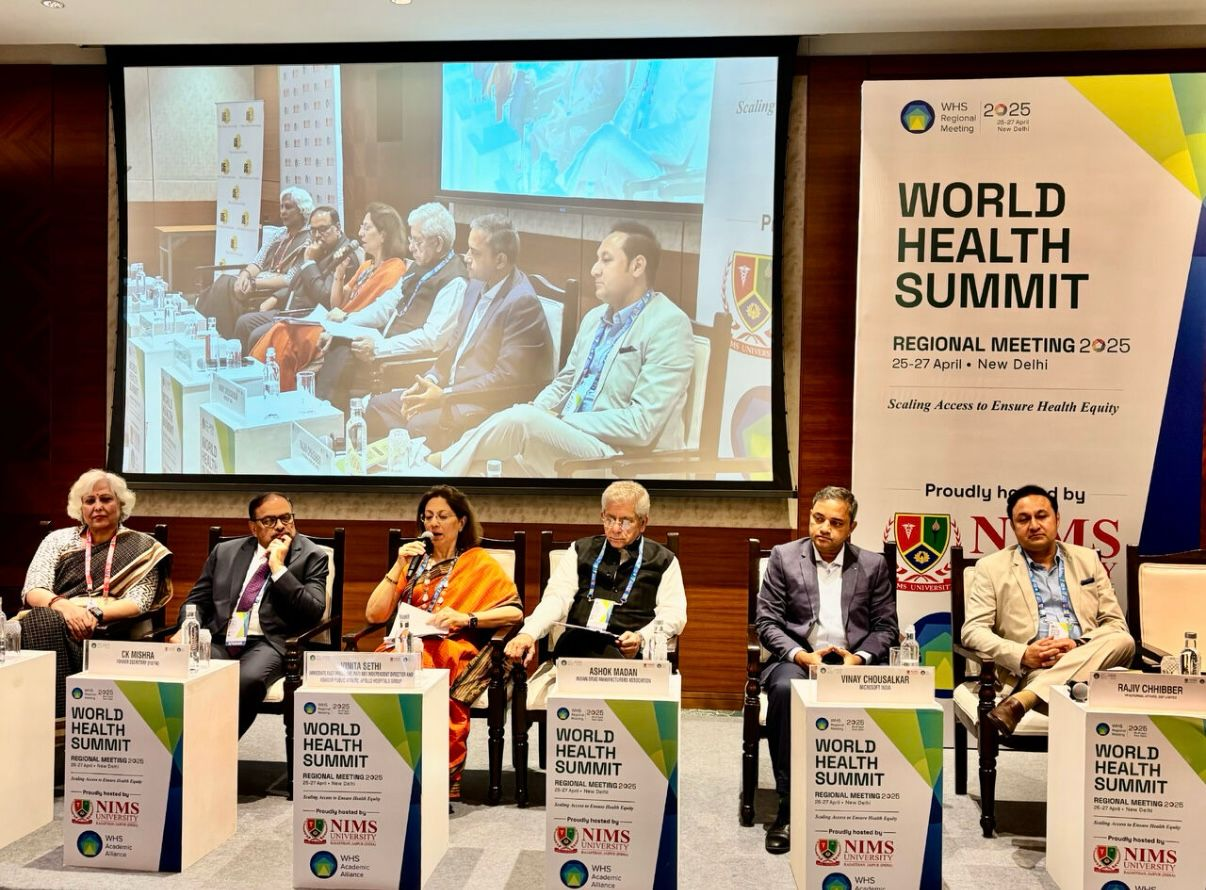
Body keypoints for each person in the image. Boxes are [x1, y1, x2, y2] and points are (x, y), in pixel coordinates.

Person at [432, 221, 693, 477]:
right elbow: (565, 382)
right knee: (479, 471)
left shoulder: (668, 324)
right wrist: (540, 409)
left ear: (637, 266)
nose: (594, 270)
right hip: (571, 444)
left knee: (522, 420)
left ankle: (436, 463)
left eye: (606, 260)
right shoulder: (595, 318)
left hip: (620, 459)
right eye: (597, 260)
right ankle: (438, 470)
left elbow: (641, 424)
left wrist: (560, 420)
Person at [755, 485, 898, 854]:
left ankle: (868, 807)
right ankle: (788, 806)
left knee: (895, 692)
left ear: (851, 527)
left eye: (836, 523)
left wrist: (858, 659)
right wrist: (801, 656)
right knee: (784, 691)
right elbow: (767, 623)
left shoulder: (873, 565)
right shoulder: (785, 557)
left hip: (853, 663)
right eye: (818, 518)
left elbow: (886, 628)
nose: (824, 528)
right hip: (800, 660)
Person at [364, 485, 522, 798]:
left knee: (427, 663)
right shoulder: (413, 563)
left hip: (453, 647)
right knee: (384, 665)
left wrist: (466, 618)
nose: (433, 523)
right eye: (427, 517)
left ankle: (433, 775)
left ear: (461, 522)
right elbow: (373, 614)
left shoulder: (478, 562)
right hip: (405, 645)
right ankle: (390, 766)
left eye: (442, 516)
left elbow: (514, 611)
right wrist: (398, 565)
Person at [364, 213, 556, 450]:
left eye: (475, 253)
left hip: (484, 403)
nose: (466, 258)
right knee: (378, 407)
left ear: (500, 260)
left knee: (418, 425)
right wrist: (429, 380)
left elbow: (504, 379)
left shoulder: (521, 303)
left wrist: (445, 394)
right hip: (448, 392)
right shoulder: (475, 285)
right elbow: (453, 346)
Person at [963, 484, 1134, 738]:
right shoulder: (991, 567)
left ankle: (1022, 701)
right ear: (1013, 527)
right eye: (1023, 519)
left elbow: (1115, 623)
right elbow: (973, 631)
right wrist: (1023, 654)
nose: (1034, 525)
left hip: (1090, 659)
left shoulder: (1088, 560)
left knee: (1123, 640)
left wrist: (1077, 645)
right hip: (1034, 669)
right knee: (1088, 692)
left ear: (1057, 519)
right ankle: (1050, 689)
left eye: (1041, 516)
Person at [169, 493, 328, 738]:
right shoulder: (225, 552)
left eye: (286, 518)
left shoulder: (311, 555)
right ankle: (180, 741)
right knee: (179, 668)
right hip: (220, 638)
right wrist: (187, 628)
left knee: (246, 680)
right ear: (253, 527)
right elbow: (197, 600)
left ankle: (215, 745)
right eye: (269, 521)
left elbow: (314, 611)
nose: (280, 526)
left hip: (270, 643)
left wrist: (278, 568)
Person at [20, 469, 172, 717]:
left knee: (39, 623)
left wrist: (94, 614)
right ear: (80, 508)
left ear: (120, 504)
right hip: (58, 615)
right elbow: (33, 588)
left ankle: (51, 718)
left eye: (106, 499)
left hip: (110, 626)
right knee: (43, 619)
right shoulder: (57, 540)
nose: (98, 507)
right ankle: (65, 714)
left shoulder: (144, 547)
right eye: (90, 501)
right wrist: (66, 609)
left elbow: (140, 601)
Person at [504, 480, 686, 666]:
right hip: (577, 648)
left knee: (612, 658)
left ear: (643, 523)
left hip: (630, 654)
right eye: (609, 519)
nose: (615, 528)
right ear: (602, 515)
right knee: (577, 642)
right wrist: (529, 633)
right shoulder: (580, 550)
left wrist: (641, 637)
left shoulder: (663, 560)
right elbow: (557, 599)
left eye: (625, 521)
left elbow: (674, 613)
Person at [315, 201, 469, 412]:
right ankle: (321, 413)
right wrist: (343, 325)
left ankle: (328, 416)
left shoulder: (455, 281)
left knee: (343, 353)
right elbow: (384, 307)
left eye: (417, 241)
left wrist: (378, 348)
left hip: (405, 359)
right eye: (411, 239)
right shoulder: (418, 266)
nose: (411, 247)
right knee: (338, 342)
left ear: (438, 243)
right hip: (384, 344)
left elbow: (432, 339)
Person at [249, 202, 408, 391]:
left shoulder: (394, 268)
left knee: (283, 333)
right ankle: (263, 386)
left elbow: (373, 311)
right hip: (335, 320)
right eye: (361, 227)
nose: (360, 233)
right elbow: (336, 304)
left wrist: (344, 317)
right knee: (281, 329)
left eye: (367, 228)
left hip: (349, 327)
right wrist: (339, 274)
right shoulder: (367, 265)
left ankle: (277, 391)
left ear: (383, 235)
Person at [232, 205, 357, 353]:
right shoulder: (319, 248)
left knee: (257, 335)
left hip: (309, 317)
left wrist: (309, 262)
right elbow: (297, 281)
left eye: (323, 229)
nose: (317, 235)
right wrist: (276, 297)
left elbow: (326, 297)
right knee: (244, 323)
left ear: (338, 227)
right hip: (291, 309)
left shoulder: (344, 256)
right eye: (313, 230)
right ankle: (240, 367)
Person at [196, 186, 314, 337]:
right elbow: (258, 262)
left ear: (302, 210)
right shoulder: (279, 233)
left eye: (288, 207)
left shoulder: (308, 240)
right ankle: (218, 335)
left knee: (223, 284)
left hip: (274, 290)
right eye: (281, 207)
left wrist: (254, 283)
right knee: (225, 284)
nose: (283, 211)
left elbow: (290, 279)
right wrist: (245, 275)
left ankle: (215, 335)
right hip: (257, 281)